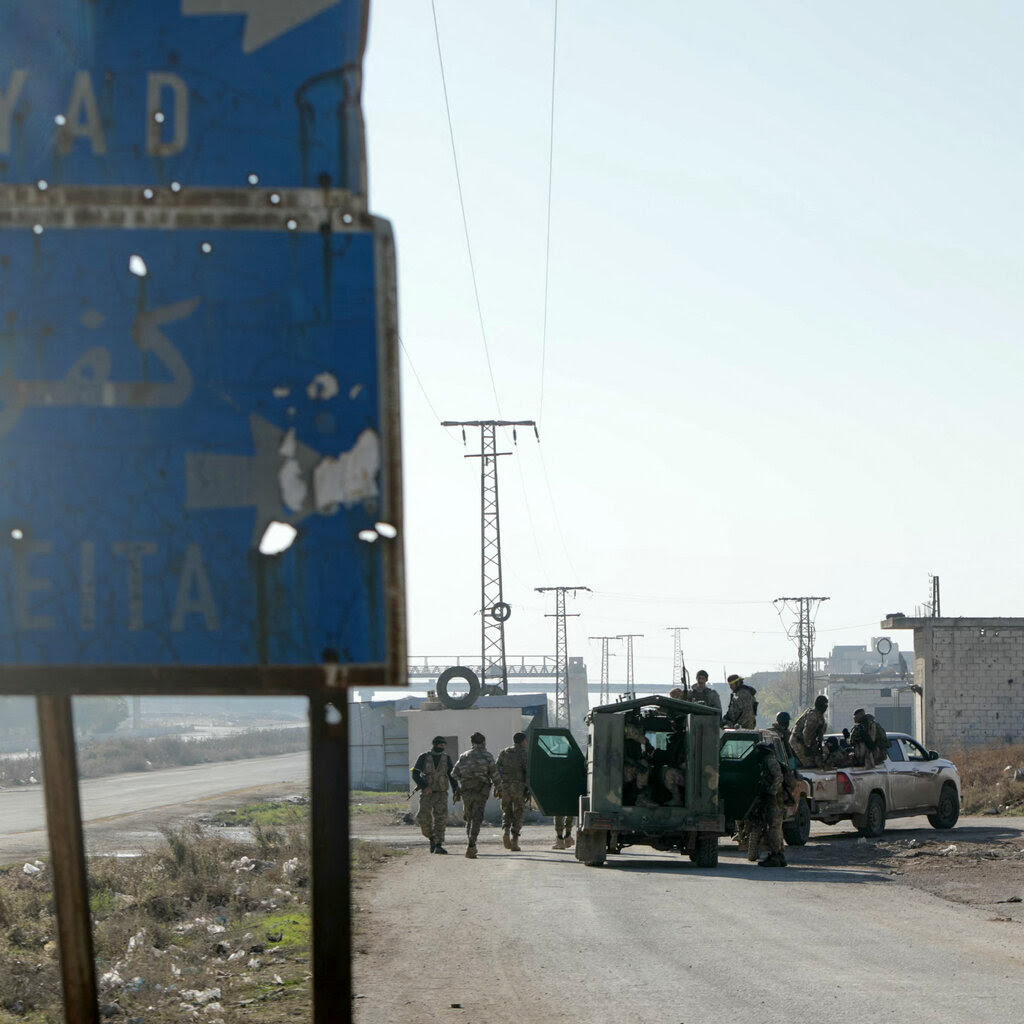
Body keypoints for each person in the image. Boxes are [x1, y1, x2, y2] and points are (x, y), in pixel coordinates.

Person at [452, 732, 500, 859]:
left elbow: (454, 774)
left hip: (466, 791)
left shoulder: (464, 756)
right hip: (480, 791)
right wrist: (499, 787)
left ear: (472, 743)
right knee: (477, 818)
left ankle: (470, 842)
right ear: (483, 742)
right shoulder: (487, 756)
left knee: (469, 817)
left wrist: (466, 778)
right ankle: (472, 845)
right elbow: (495, 775)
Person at [411, 735, 459, 854]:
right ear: (435, 745)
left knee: (441, 819)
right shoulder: (424, 757)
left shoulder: (446, 758)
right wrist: (424, 786)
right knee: (423, 817)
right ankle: (431, 838)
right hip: (427, 794)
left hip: (441, 793)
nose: (442, 747)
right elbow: (415, 774)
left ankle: (438, 844)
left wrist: (456, 790)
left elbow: (451, 776)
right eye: (440, 745)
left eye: (444, 745)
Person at [746, 742, 788, 868]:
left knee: (773, 827)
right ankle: (778, 855)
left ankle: (775, 856)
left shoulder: (770, 760)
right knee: (775, 827)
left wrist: (771, 791)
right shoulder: (766, 760)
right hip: (774, 799)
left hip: (775, 800)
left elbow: (778, 777)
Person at [496, 731, 530, 852]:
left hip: (505, 786)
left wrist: (501, 781)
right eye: (526, 740)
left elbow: (497, 767)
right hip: (518, 787)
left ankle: (505, 831)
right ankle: (514, 840)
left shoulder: (504, 752)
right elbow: (528, 771)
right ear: (522, 741)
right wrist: (528, 787)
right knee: (518, 812)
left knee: (507, 811)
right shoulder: (524, 753)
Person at [790, 695, 829, 768]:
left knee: (818, 760)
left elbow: (819, 735)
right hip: (798, 741)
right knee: (809, 763)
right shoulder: (813, 716)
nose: (826, 707)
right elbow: (806, 734)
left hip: (809, 742)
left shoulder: (820, 717)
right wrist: (807, 747)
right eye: (825, 705)